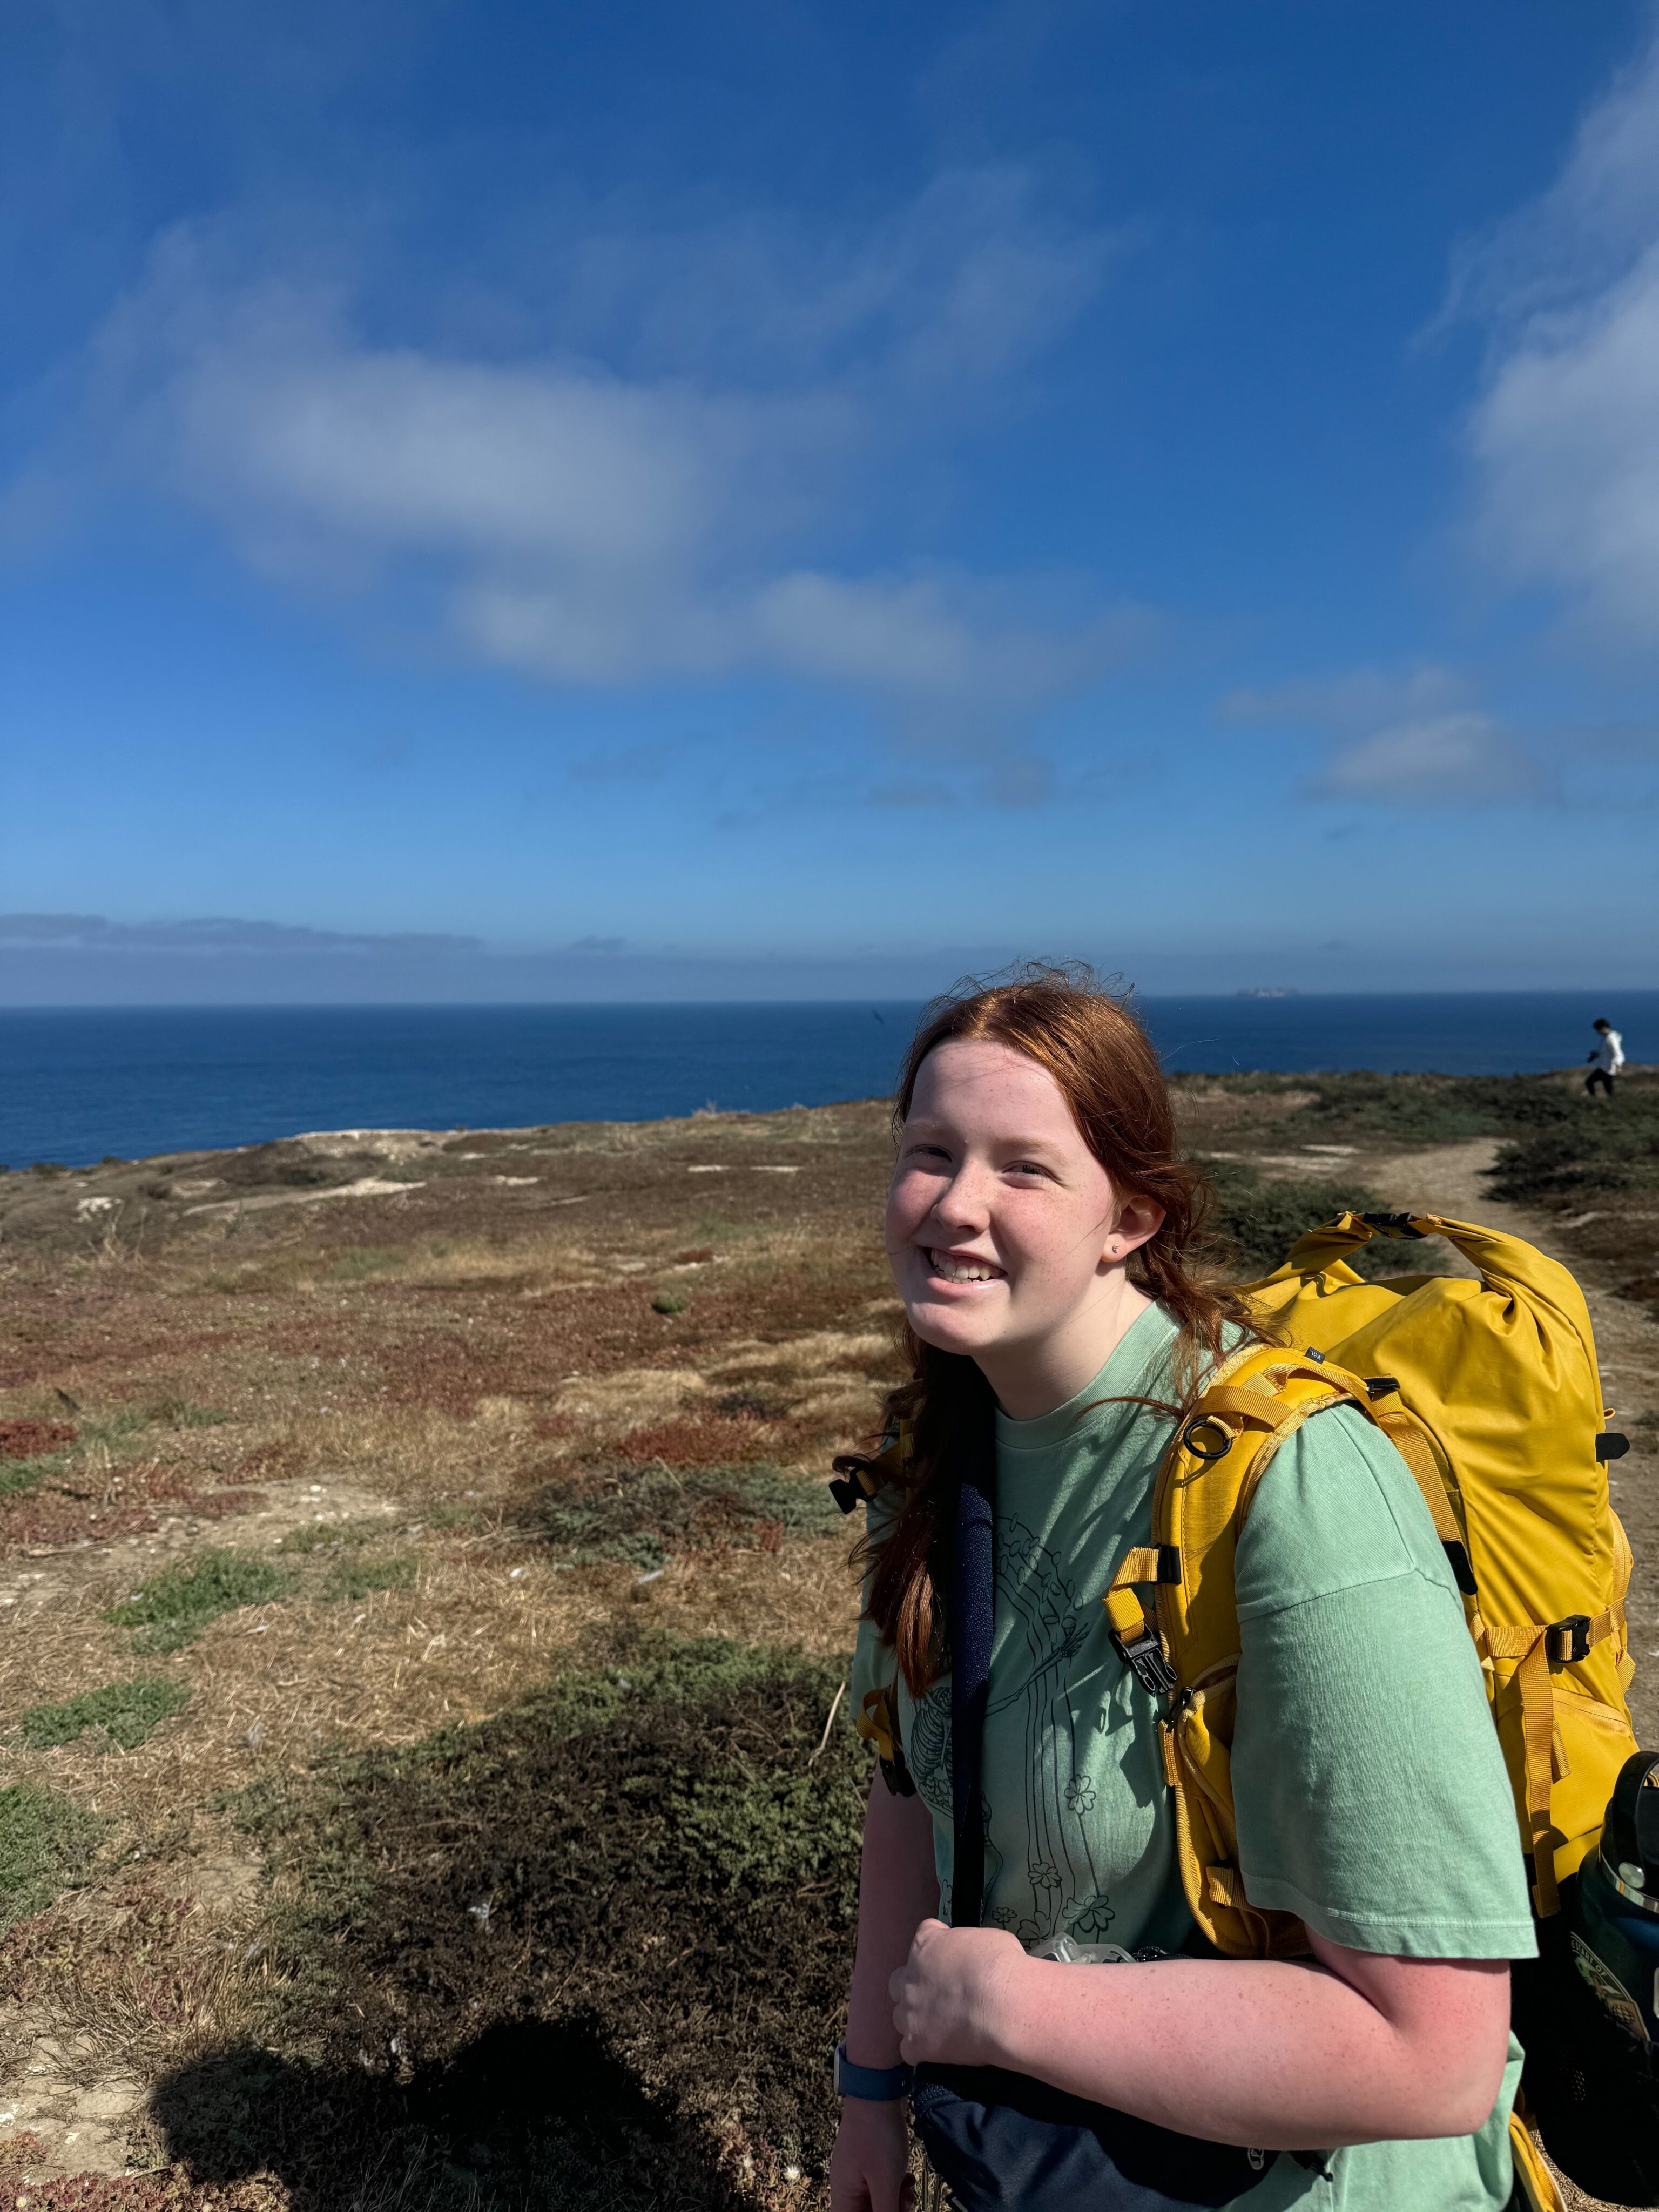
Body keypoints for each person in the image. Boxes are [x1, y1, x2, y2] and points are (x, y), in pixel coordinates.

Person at [832, 968, 1534, 2212]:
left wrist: (1011, 2009)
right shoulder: (930, 1462)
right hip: (1059, 2167)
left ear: (1131, 1220)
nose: (951, 1205)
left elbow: (1432, 2057)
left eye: (1021, 1168)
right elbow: (908, 1798)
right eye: (928, 1151)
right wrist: (869, 2099)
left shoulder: (1292, 1487)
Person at [1586, 1018, 1624, 1098]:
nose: (1598, 1032)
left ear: (1603, 1028)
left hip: (1608, 1069)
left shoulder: (1611, 1039)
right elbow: (1604, 1051)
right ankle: (1602, 1103)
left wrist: (1619, 1066)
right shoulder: (1607, 1038)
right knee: (1607, 1090)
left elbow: (1618, 1053)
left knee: (1590, 1083)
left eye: (1598, 1030)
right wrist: (1595, 1055)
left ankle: (1595, 1101)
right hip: (1604, 1067)